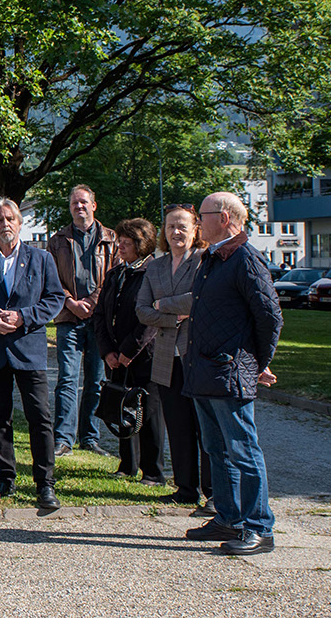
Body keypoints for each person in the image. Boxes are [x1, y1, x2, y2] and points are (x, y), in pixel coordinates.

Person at [182, 192, 282, 556]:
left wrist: (257, 362)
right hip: (205, 370)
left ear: (224, 217)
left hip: (228, 371)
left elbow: (270, 316)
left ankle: (259, 526)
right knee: (215, 449)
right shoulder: (213, 258)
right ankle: (228, 517)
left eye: (202, 215)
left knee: (242, 449)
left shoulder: (244, 258)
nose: (197, 223)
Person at [0, 197, 68, 510]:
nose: (5, 225)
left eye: (10, 219)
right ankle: (4, 477)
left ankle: (44, 483)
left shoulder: (41, 258)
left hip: (29, 348)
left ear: (19, 223)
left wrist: (23, 317)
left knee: (40, 417)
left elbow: (54, 298)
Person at [136, 204, 214, 511]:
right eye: (170, 227)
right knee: (178, 427)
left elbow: (201, 299)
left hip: (198, 356)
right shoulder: (155, 265)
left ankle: (212, 493)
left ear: (196, 229)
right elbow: (142, 310)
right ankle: (185, 488)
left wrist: (163, 304)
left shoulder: (204, 261)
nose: (176, 232)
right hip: (167, 357)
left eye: (182, 226)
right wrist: (176, 315)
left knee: (205, 427)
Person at [94, 218, 165, 485]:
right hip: (115, 357)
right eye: (119, 242)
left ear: (141, 244)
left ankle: (154, 472)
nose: (120, 247)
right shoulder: (115, 274)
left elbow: (151, 318)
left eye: (126, 243)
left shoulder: (153, 273)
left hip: (144, 355)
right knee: (120, 407)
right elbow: (100, 315)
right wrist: (108, 351)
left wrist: (128, 351)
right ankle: (127, 465)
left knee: (148, 413)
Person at [46, 184, 115, 459]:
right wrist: (70, 302)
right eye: (75, 203)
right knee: (67, 379)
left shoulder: (111, 238)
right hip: (67, 318)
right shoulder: (57, 240)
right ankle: (63, 439)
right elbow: (50, 277)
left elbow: (114, 275)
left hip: (100, 320)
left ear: (94, 205)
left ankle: (90, 437)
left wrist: (94, 301)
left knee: (96, 380)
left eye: (84, 202)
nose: (79, 207)